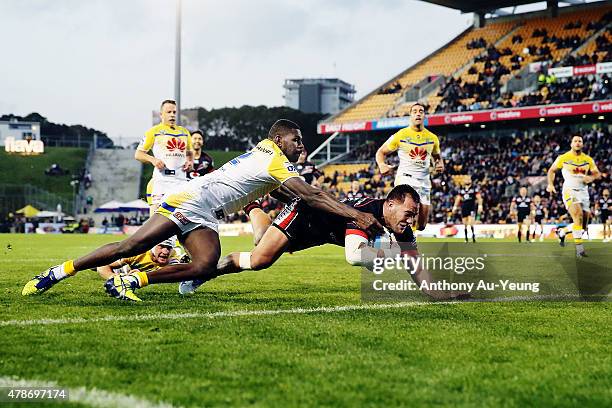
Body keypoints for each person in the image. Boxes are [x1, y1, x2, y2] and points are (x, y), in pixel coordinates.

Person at [22, 119, 383, 301]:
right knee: (128, 248)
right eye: (297, 140)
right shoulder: (274, 160)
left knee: (206, 265)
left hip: (205, 213)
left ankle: (132, 279)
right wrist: (356, 216)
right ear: (278, 140)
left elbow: (287, 189)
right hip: (189, 201)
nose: (301, 146)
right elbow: (310, 194)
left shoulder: (269, 155)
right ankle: (58, 272)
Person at [180, 185, 465, 301]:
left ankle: (255, 211)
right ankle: (251, 207)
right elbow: (354, 257)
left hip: (321, 233)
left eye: (414, 216)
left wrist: (439, 293)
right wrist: (388, 254)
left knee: (260, 249)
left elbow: (416, 267)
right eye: (408, 214)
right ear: (390, 204)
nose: (412, 221)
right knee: (259, 259)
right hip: (304, 216)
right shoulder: (365, 213)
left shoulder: (401, 227)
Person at [375, 103, 444, 230]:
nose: (418, 113)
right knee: (404, 215)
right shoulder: (401, 135)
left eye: (421, 111)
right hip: (406, 179)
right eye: (415, 111)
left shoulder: (433, 138)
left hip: (424, 181)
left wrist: (439, 164)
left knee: (422, 225)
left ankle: (401, 240)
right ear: (410, 115)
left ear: (424, 116)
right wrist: (382, 164)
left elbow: (437, 158)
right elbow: (380, 152)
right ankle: (399, 245)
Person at [135, 99, 194, 216]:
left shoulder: (184, 132)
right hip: (161, 180)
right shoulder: (153, 132)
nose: (172, 115)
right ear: (161, 114)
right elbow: (138, 154)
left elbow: (189, 152)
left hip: (180, 181)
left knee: (182, 217)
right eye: (168, 112)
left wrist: (190, 162)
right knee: (156, 218)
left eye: (174, 112)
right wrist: (153, 160)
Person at [547, 135, 601, 257]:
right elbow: (551, 170)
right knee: (578, 215)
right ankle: (580, 251)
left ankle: (563, 231)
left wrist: (591, 177)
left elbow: (597, 174)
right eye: (575, 141)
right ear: (571, 144)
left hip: (584, 192)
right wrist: (550, 184)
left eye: (580, 141)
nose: (577, 143)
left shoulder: (588, 159)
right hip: (569, 190)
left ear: (582, 144)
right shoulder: (563, 158)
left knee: (582, 227)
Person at [97, 239, 180, 279]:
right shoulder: (138, 253)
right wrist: (115, 278)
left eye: (169, 248)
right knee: (95, 263)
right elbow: (102, 266)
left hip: (132, 268)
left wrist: (141, 274)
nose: (165, 251)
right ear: (153, 247)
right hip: (120, 268)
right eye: (161, 247)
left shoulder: (173, 256)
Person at [452, 178, 482, 243]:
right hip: (464, 208)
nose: (467, 180)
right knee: (465, 223)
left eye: (469, 179)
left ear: (471, 181)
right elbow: (458, 198)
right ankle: (466, 238)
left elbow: (479, 197)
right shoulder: (461, 190)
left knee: (471, 222)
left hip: (471, 207)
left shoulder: (474, 189)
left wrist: (480, 205)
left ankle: (473, 236)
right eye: (466, 179)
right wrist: (455, 206)